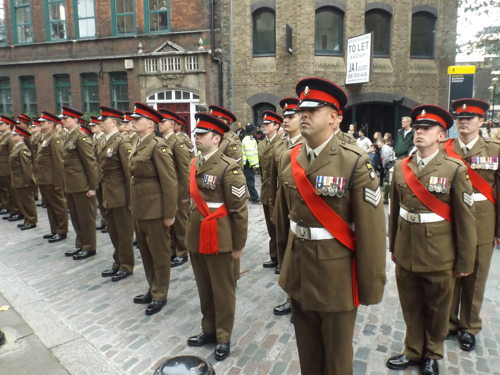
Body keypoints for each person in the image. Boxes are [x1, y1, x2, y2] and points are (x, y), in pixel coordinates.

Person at [275, 77, 387, 374]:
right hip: (298, 269)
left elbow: (372, 233)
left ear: (335, 118)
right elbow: (282, 220)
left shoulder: (354, 161)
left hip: (336, 274)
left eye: (314, 109)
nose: (304, 115)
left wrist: (370, 287)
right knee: (307, 354)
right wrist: (283, 266)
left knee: (336, 360)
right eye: (302, 109)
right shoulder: (290, 158)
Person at [387, 104, 476, 375]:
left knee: (438, 310)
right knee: (411, 306)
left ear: (441, 135)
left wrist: (464, 260)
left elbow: (465, 221)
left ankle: (432, 354)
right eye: (417, 128)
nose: (419, 132)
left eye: (427, 128)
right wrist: (393, 247)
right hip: (407, 251)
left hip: (440, 254)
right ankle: (413, 350)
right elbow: (395, 212)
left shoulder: (454, 169)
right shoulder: (401, 169)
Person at [186, 112, 248, 361]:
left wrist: (238, 245)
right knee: (204, 287)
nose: (197, 138)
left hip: (220, 237)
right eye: (196, 134)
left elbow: (239, 210)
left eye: (202, 135)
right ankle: (208, 329)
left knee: (222, 290)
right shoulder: (195, 163)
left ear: (216, 138)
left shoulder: (229, 168)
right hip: (197, 234)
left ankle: (223, 336)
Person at [445, 98, 500, 352]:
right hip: (449, 220)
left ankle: (468, 325)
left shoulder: (494, 150)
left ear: (481, 121)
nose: (463, 121)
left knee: (476, 275)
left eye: (470, 118)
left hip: (482, 220)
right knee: (450, 271)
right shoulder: (444, 148)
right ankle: (448, 322)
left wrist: (498, 230)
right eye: (460, 118)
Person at [129, 102, 178, 316]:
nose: (132, 122)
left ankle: (160, 293)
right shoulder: (137, 143)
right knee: (146, 252)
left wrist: (169, 214)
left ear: (149, 123)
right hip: (141, 209)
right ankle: (151, 287)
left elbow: (169, 181)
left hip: (156, 210)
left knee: (159, 253)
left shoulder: (158, 145)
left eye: (137, 119)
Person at [271, 97, 304, 318]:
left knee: (298, 254)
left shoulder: (306, 144)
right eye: (284, 116)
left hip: (300, 207)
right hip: (282, 203)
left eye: (291, 116)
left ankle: (299, 300)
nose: (285, 120)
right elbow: (275, 177)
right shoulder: (282, 144)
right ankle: (289, 296)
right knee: (283, 250)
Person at [96, 106, 135, 282]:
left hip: (121, 196)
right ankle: (117, 262)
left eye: (103, 120)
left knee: (124, 233)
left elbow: (129, 174)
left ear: (112, 122)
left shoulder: (122, 142)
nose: (100, 123)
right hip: (109, 195)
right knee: (113, 231)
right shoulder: (106, 141)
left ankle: (126, 265)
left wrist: (130, 200)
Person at [60, 106, 99, 260]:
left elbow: (90, 163)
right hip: (71, 184)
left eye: (66, 118)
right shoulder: (69, 136)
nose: (63, 121)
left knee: (85, 218)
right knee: (76, 217)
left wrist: (92, 187)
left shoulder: (81, 137)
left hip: (83, 185)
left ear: (75, 120)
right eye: (62, 119)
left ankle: (89, 247)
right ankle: (81, 244)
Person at [158, 109, 194, 268]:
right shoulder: (162, 141)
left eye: (163, 122)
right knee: (170, 222)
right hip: (167, 191)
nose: (159, 124)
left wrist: (185, 192)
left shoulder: (177, 142)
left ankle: (182, 251)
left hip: (178, 189)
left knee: (180, 222)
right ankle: (172, 250)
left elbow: (184, 169)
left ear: (171, 125)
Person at [258, 110, 286, 271]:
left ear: (276, 126)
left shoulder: (282, 143)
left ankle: (282, 261)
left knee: (279, 227)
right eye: (264, 124)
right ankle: (274, 256)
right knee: (270, 227)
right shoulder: (262, 144)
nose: (264, 126)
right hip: (265, 190)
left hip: (277, 191)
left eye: (268, 124)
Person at [36, 112, 68, 243]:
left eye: (43, 122)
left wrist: (59, 182)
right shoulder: (45, 137)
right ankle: (54, 229)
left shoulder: (55, 138)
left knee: (58, 205)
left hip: (52, 179)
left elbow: (58, 161)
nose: (40, 124)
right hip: (44, 179)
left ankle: (61, 230)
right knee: (49, 205)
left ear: (50, 124)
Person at [9, 125, 37, 230]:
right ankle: (27, 219)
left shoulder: (23, 149)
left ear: (21, 136)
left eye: (15, 135)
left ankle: (31, 220)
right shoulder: (17, 147)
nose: (13, 136)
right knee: (22, 202)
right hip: (18, 180)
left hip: (23, 181)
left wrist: (27, 181)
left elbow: (27, 167)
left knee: (27, 202)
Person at [0, 115, 22, 221]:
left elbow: (12, 154)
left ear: (8, 125)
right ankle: (11, 209)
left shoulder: (9, 137)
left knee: (12, 191)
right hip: (3, 169)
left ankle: (17, 210)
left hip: (8, 169)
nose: (0, 126)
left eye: (2, 124)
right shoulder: (3, 136)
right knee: (7, 190)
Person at [90, 116, 108, 233]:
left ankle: (107, 222)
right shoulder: (94, 138)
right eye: (91, 126)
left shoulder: (102, 138)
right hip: (96, 173)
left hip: (102, 173)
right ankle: (104, 221)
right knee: (100, 200)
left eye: (95, 125)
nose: (92, 128)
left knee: (104, 200)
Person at [241, 123, 260, 203]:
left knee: (248, 181)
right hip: (249, 164)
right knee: (250, 181)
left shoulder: (245, 139)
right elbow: (252, 154)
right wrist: (254, 165)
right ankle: (255, 197)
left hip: (246, 164)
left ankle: (252, 196)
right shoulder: (250, 140)